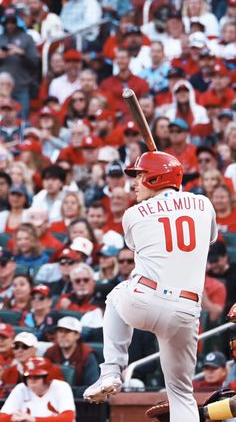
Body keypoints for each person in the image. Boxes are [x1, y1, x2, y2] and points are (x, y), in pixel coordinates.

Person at [83, 150, 218, 422]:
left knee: (114, 297)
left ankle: (111, 370)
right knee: (181, 392)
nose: (134, 183)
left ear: (157, 178)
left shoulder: (132, 215)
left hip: (145, 300)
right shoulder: (204, 204)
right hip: (186, 311)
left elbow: (137, 243)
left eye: (141, 175)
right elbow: (211, 238)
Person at [0, 356, 76, 421]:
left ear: (48, 377)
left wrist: (34, 420)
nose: (32, 380)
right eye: (28, 377)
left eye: (37, 377)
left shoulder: (61, 387)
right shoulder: (21, 388)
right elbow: (2, 416)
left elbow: (68, 417)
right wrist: (12, 417)